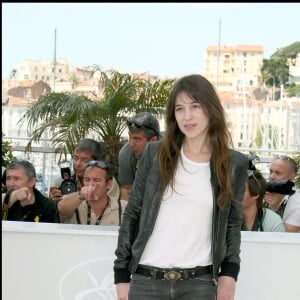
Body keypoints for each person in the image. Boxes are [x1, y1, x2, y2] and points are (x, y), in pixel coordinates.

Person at [113, 74, 248, 300]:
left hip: (200, 284)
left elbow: (232, 224)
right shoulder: (154, 154)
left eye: (195, 106)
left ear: (211, 108)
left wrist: (229, 274)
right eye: (180, 108)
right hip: (146, 281)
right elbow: (133, 213)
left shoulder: (234, 163)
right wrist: (121, 273)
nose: (187, 116)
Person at [49, 138, 119, 222]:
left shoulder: (106, 181)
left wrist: (78, 195)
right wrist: (52, 202)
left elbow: (108, 208)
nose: (78, 164)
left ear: (96, 161)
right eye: (75, 158)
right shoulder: (63, 182)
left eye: (84, 160)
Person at [57, 160, 126, 225]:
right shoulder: (76, 204)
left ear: (108, 184)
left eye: (97, 180)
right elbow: (62, 208)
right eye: (87, 180)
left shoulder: (122, 207)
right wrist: (81, 195)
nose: (91, 184)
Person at [118, 111, 160, 201]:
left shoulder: (171, 152)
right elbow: (127, 189)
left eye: (137, 139)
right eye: (130, 137)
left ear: (153, 141)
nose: (131, 144)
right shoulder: (125, 154)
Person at [264, 155, 300, 232]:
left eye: (278, 173)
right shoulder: (263, 193)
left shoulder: (298, 204)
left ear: (292, 177)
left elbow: (285, 235)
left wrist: (273, 209)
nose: (272, 176)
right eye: (271, 171)